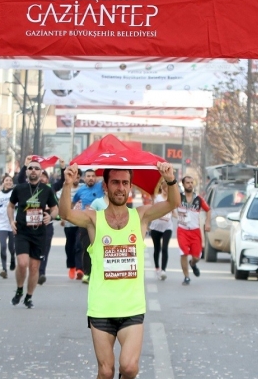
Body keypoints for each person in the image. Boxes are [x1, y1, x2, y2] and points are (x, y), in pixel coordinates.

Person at [59, 162, 179, 379]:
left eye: (125, 183)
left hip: (131, 307)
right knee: (106, 372)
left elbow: (173, 203)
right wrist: (67, 184)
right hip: (101, 307)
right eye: (115, 182)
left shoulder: (140, 216)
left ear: (130, 186)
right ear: (105, 186)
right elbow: (65, 213)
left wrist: (170, 180)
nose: (120, 188)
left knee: (129, 368)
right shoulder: (93, 219)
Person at [7, 159, 59, 309]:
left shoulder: (46, 190)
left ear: (41, 172)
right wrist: (11, 221)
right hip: (22, 231)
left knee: (34, 267)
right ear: (27, 171)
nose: (34, 170)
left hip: (39, 233)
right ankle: (19, 289)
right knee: (22, 263)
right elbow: (10, 206)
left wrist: (51, 216)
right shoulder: (19, 188)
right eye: (31, 168)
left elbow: (55, 208)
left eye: (37, 168)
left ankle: (29, 297)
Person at [176, 176, 211, 286]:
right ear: (183, 184)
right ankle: (186, 277)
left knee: (197, 257)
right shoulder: (178, 197)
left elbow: (208, 210)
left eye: (191, 182)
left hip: (195, 231)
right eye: (187, 182)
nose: (190, 184)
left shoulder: (198, 199)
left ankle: (192, 263)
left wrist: (207, 223)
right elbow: (169, 204)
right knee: (184, 253)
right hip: (182, 230)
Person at [73, 169, 105, 283]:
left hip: (101, 222)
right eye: (88, 176)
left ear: (96, 178)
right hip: (86, 224)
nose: (91, 178)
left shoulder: (101, 187)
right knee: (87, 248)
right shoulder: (80, 190)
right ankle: (87, 273)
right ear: (84, 178)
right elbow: (73, 202)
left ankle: (101, 272)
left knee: (102, 248)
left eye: (92, 176)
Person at [59, 167, 82, 279]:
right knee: (70, 246)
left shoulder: (83, 188)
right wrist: (62, 218)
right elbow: (60, 203)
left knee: (79, 245)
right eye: (74, 177)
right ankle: (72, 266)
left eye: (78, 177)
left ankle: (79, 269)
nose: (76, 179)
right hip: (68, 223)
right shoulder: (65, 189)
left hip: (81, 222)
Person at [149, 180, 174, 281]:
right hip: (156, 226)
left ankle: (163, 270)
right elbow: (153, 210)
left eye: (168, 189)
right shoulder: (157, 198)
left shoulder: (171, 198)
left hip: (168, 226)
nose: (166, 191)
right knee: (157, 249)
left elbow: (174, 211)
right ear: (162, 189)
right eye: (165, 189)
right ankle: (157, 267)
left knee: (164, 248)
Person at [0, 175, 15, 278]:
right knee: (3, 246)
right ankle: (4, 269)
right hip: (1, 224)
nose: (8, 182)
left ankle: (13, 258)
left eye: (10, 180)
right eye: (6, 180)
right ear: (3, 182)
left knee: (12, 247)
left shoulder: (15, 193)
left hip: (12, 223)